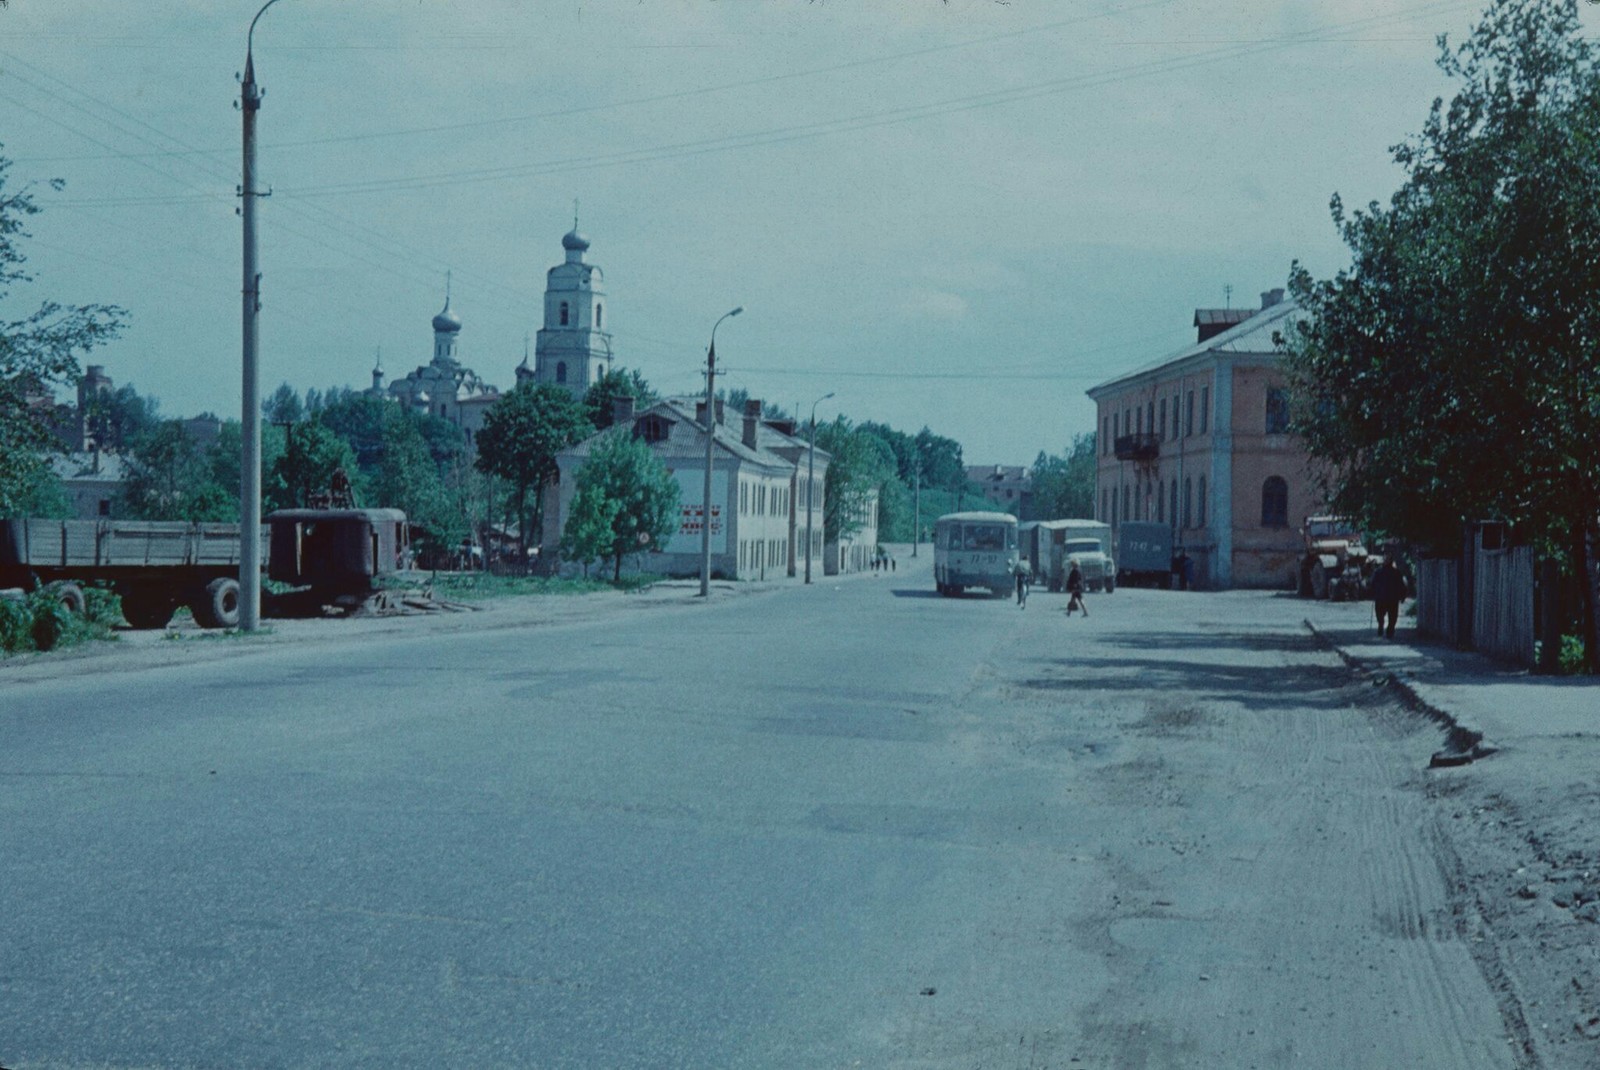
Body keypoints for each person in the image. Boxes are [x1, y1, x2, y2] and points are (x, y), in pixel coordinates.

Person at [1370, 557, 1406, 639]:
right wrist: (1403, 596)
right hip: (1392, 598)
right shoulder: (1396, 572)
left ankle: (1381, 625)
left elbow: (1372, 583)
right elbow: (1401, 585)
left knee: (1380, 614)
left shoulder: (1378, 572)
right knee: (1393, 616)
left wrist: (1372, 592)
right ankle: (1390, 630)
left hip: (1381, 597)